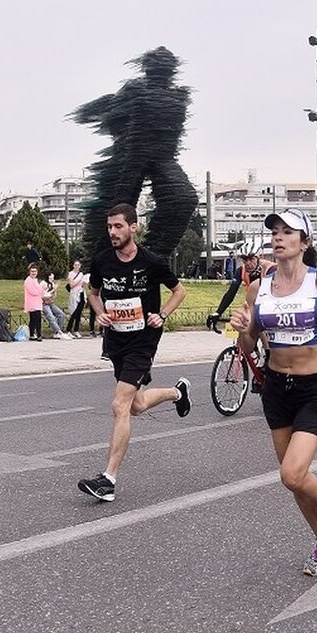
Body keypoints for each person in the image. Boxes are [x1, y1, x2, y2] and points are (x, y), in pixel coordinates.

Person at [230, 208, 317, 576]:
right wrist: (244, 327)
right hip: (276, 388)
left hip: (314, 389)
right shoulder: (258, 288)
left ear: (304, 242)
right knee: (294, 480)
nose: (278, 237)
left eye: (287, 232)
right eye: (274, 231)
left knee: (292, 475)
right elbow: (249, 344)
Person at [77, 203, 191, 503]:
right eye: (109, 227)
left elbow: (179, 291)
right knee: (136, 405)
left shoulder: (152, 261)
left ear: (133, 227)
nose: (112, 232)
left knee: (119, 405)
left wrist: (162, 314)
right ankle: (178, 394)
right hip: (116, 340)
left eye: (117, 226)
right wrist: (100, 313)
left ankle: (108, 479)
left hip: (143, 340)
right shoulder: (102, 261)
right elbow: (93, 292)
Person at [205, 243, 272, 330]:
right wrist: (218, 313)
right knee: (244, 331)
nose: (248, 263)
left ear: (258, 258)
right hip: (253, 304)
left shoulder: (268, 269)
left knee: (264, 334)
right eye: (244, 260)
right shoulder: (241, 271)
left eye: (251, 259)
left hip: (270, 304)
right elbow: (231, 293)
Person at [41, 271, 71, 339]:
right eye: (51, 277)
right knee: (51, 317)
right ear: (48, 276)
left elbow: (54, 296)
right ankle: (59, 332)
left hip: (50, 303)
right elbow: (42, 295)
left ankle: (57, 332)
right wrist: (53, 290)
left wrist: (54, 292)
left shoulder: (52, 284)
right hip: (43, 303)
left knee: (61, 314)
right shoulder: (43, 283)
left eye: (53, 278)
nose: (52, 279)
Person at [65, 260, 88, 337]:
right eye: (75, 265)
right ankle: (68, 329)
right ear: (73, 266)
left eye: (78, 265)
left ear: (80, 266)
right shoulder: (71, 274)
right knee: (74, 312)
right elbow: (72, 285)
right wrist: (79, 279)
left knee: (79, 312)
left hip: (81, 293)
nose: (77, 266)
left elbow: (83, 284)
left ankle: (76, 329)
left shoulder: (81, 274)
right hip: (74, 293)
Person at [23, 264, 44, 342]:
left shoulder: (35, 280)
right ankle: (39, 335)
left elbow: (39, 291)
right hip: (33, 303)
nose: (34, 273)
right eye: (32, 271)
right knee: (37, 319)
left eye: (35, 271)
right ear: (29, 272)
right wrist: (41, 290)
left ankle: (32, 334)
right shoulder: (28, 280)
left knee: (33, 320)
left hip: (37, 302)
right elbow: (33, 292)